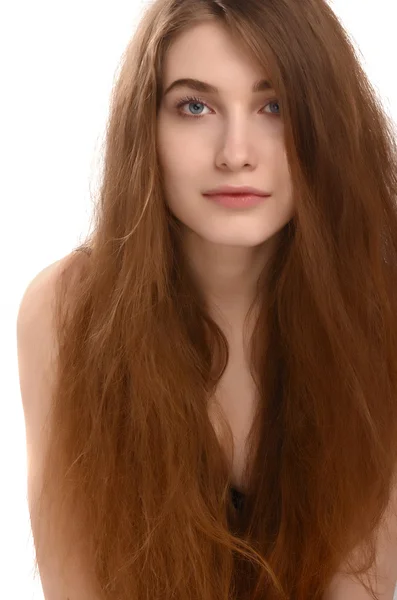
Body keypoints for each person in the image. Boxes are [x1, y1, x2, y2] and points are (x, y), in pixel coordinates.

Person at [16, 0, 397, 599]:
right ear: (146, 127)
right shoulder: (65, 312)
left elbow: (361, 586)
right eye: (195, 106)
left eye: (275, 106)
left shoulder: (381, 307)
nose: (235, 152)